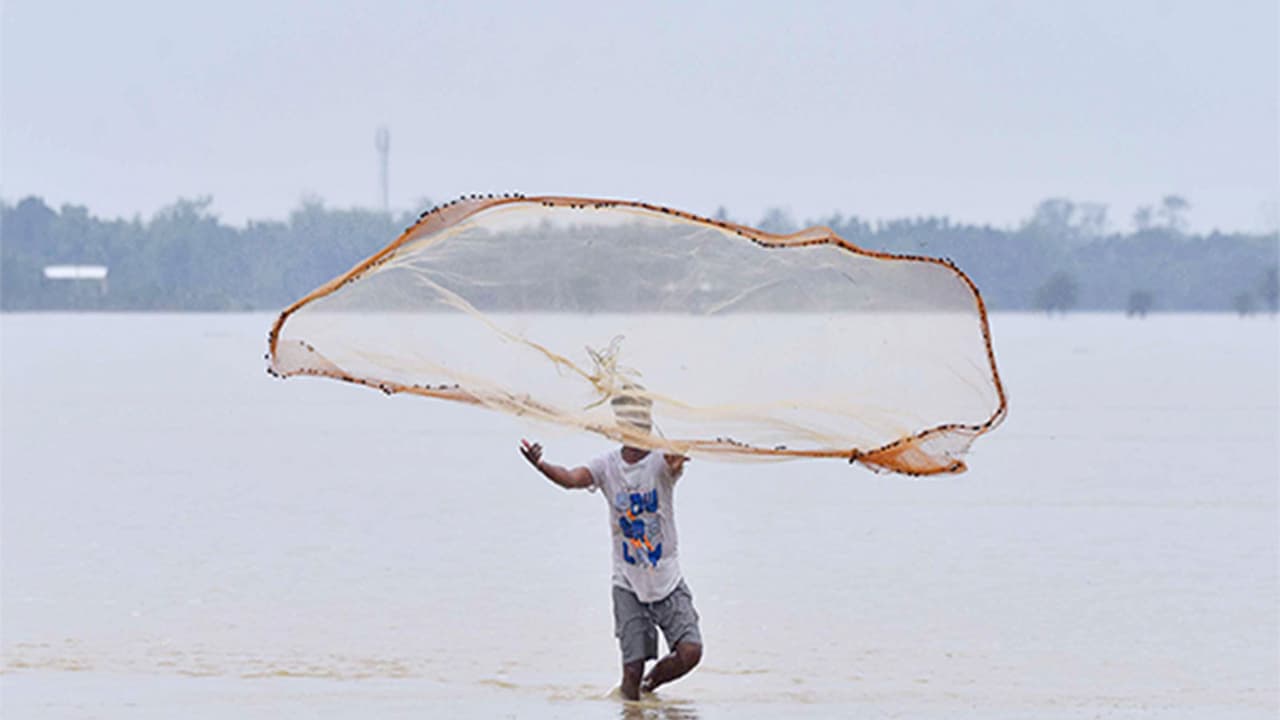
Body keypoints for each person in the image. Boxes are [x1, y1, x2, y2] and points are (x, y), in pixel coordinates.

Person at [519, 387, 702, 701]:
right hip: (628, 582)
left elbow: (674, 465)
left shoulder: (661, 460)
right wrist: (540, 464)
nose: (639, 425)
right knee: (630, 669)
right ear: (620, 424)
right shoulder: (607, 466)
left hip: (667, 579)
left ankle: (649, 687)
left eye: (643, 419)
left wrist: (677, 460)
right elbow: (571, 478)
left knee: (690, 652)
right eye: (632, 419)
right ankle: (632, 707)